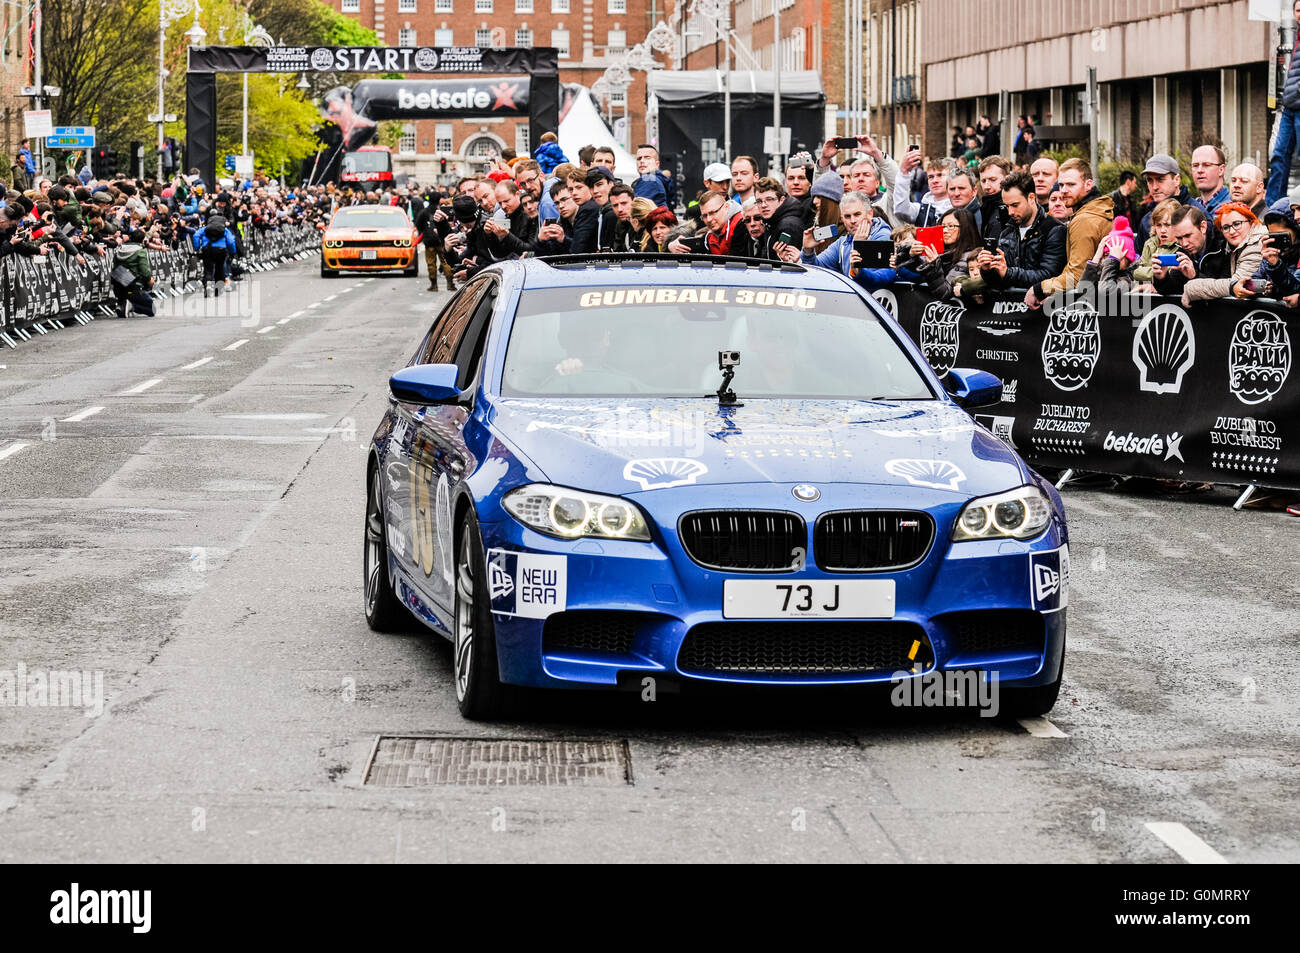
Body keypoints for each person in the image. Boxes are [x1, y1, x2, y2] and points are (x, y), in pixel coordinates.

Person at [1026, 158, 1114, 308]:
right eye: (1061, 185)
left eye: (1071, 185)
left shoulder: (1085, 219)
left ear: (1088, 184)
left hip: (1094, 306)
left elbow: (1076, 277)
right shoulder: (1094, 211)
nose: (1064, 190)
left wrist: (1039, 289)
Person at [978, 169, 1066, 291]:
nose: (1010, 212)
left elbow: (1049, 276)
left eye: (1015, 205)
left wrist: (1008, 273)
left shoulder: (1054, 229)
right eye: (1007, 206)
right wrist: (987, 269)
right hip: (1008, 306)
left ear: (1031, 198)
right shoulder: (1007, 231)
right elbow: (998, 283)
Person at [789, 190, 892, 289]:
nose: (852, 221)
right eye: (847, 216)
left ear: (870, 214)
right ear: (842, 219)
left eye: (857, 214)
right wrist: (808, 251)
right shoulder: (843, 242)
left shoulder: (883, 236)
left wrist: (860, 247)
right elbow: (816, 272)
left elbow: (879, 280)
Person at [1152, 205, 1226, 298]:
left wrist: (1195, 277)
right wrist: (1161, 278)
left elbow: (1226, 288)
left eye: (1188, 235)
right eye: (1179, 238)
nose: (1184, 243)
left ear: (1203, 227)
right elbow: (1173, 290)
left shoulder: (1223, 244)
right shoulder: (1183, 250)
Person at [1269, 0, 1300, 205]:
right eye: (1298, 10)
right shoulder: (1298, 36)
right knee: (1279, 156)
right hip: (1290, 105)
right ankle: (1274, 205)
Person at [1136, 154, 1190, 248]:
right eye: (1150, 180)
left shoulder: (1194, 214)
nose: (1154, 187)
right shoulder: (1146, 221)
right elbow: (1138, 256)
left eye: (1160, 179)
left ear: (1177, 180)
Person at [1131, 197, 1183, 289]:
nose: (1162, 230)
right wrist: (1157, 273)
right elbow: (1137, 273)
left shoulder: (1181, 246)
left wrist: (1150, 274)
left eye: (1167, 225)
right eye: (1158, 225)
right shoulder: (1150, 243)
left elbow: (1172, 275)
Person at [754, 177, 806, 259]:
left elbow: (791, 266)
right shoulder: (771, 221)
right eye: (759, 201)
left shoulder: (788, 226)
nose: (763, 205)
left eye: (769, 199)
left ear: (782, 200)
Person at [893, 152, 951, 226]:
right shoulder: (922, 209)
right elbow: (901, 210)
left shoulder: (959, 206)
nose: (935, 181)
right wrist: (904, 172)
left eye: (940, 175)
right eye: (931, 177)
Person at [111, 229, 154, 317]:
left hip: (118, 286)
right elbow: (145, 272)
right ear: (142, 240)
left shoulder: (119, 249)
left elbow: (114, 266)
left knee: (124, 293)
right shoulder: (140, 251)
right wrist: (150, 280)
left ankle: (122, 303)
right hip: (134, 286)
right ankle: (131, 306)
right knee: (152, 309)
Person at [698, 190, 743, 255]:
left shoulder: (742, 224)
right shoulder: (709, 235)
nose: (708, 219)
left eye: (712, 213)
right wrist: (680, 245)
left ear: (726, 207)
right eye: (704, 216)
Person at [1189, 146, 1229, 217]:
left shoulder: (1232, 208)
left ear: (1221, 170)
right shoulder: (1190, 208)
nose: (1199, 170)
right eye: (1195, 165)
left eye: (1206, 165)